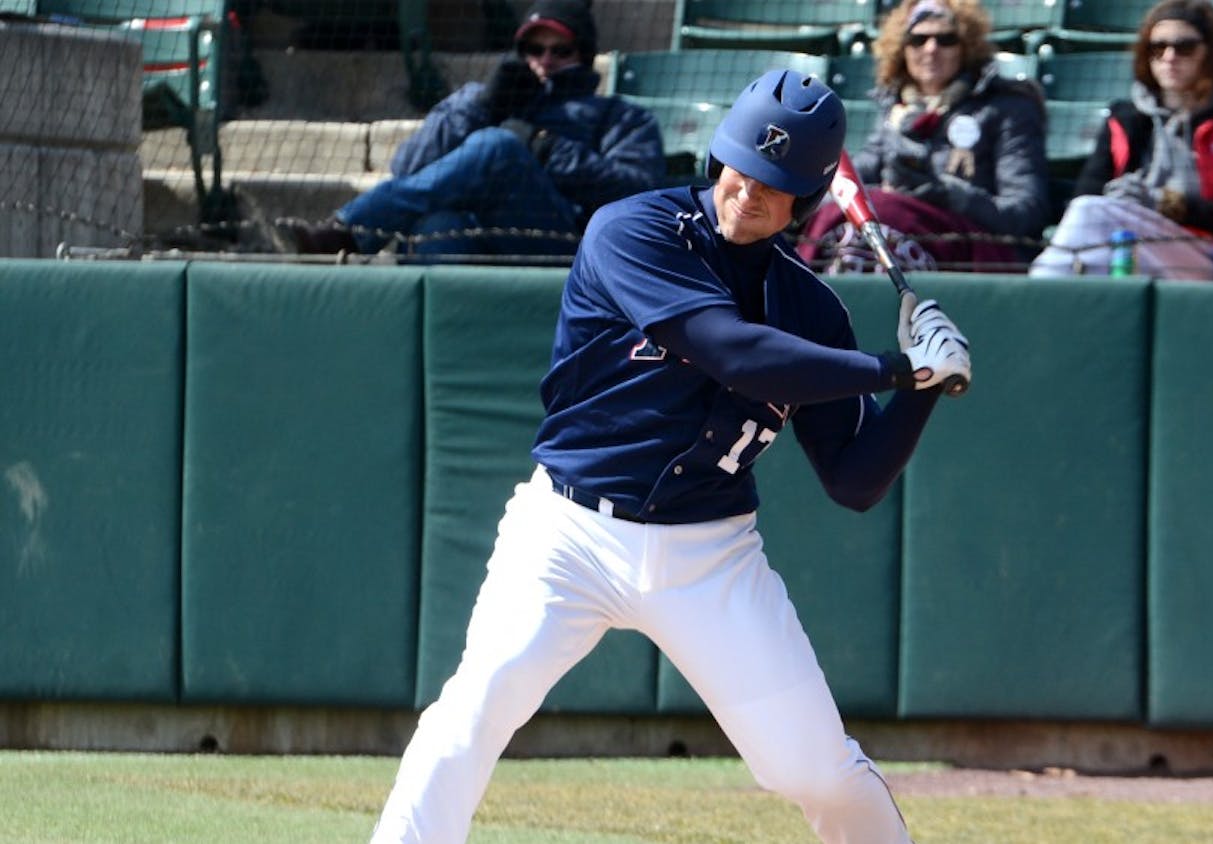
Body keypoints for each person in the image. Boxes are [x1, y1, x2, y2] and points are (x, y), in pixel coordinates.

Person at [368, 68, 971, 844]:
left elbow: (854, 481)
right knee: (475, 709)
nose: (746, 193)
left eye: (772, 184)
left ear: (805, 202)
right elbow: (733, 354)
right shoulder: (634, 231)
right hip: (568, 535)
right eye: (739, 169)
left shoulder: (813, 310)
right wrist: (897, 368)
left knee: (815, 771)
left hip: (709, 557)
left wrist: (921, 390)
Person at [287, 0, 665, 261]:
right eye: (534, 49)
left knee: (498, 146)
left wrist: (545, 149)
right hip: (473, 229)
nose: (545, 61)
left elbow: (637, 190)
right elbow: (409, 167)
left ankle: (346, 232)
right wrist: (483, 107)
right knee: (438, 226)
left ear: (582, 56)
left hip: (558, 240)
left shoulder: (620, 117)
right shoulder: (477, 98)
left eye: (560, 51)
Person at [1028, 0, 1213, 281]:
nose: (1169, 57)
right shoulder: (1126, 117)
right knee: (1091, 218)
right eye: (1158, 48)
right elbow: (1087, 193)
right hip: (1133, 243)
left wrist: (1164, 203)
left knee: (1092, 219)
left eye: (1184, 47)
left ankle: (1033, 298)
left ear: (1212, 53)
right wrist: (1122, 199)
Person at [798, 0, 1049, 273]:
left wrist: (946, 194)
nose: (931, 48)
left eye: (946, 39)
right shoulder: (895, 109)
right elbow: (856, 178)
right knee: (850, 215)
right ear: (902, 49)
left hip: (969, 245)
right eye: (918, 39)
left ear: (966, 47)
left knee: (881, 211)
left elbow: (1026, 211)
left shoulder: (1007, 107)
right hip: (892, 229)